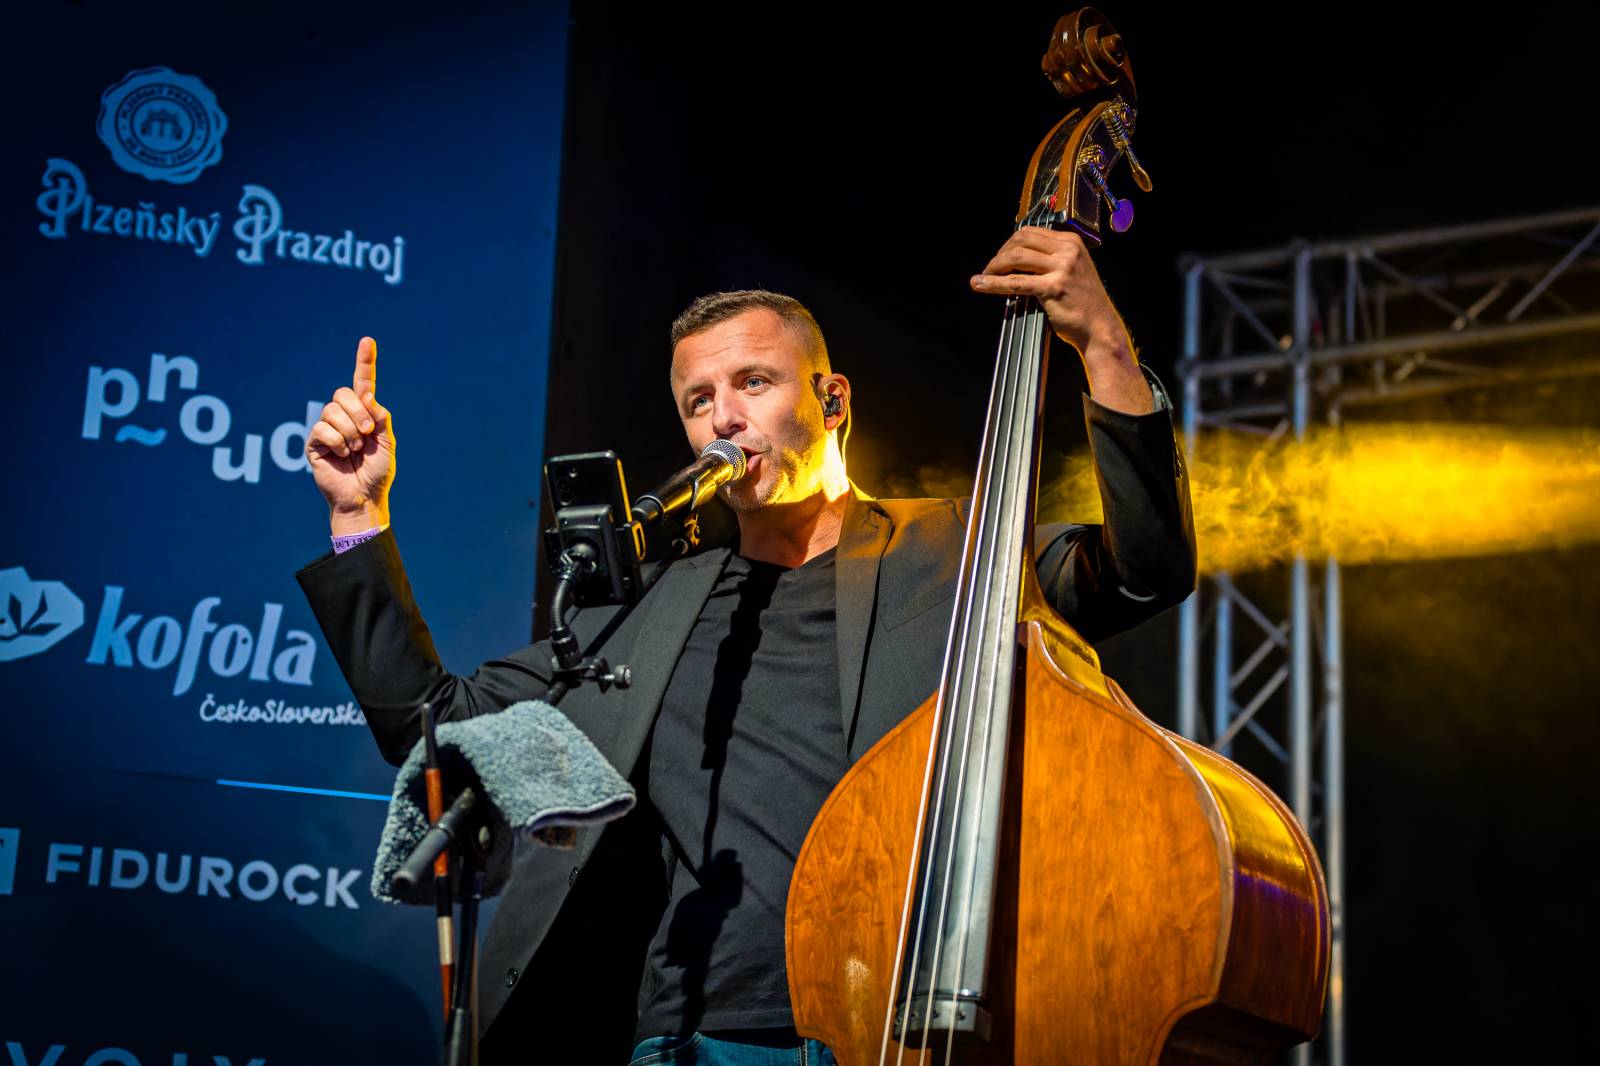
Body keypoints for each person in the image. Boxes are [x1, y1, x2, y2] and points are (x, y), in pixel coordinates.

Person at [295, 226, 1196, 1065]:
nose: (723, 417)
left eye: (753, 383)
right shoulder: (652, 609)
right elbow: (428, 721)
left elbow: (1147, 567)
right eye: (699, 400)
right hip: (700, 1035)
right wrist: (356, 516)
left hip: (909, 1019)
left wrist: (1104, 347)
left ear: (832, 398)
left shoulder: (962, 551)